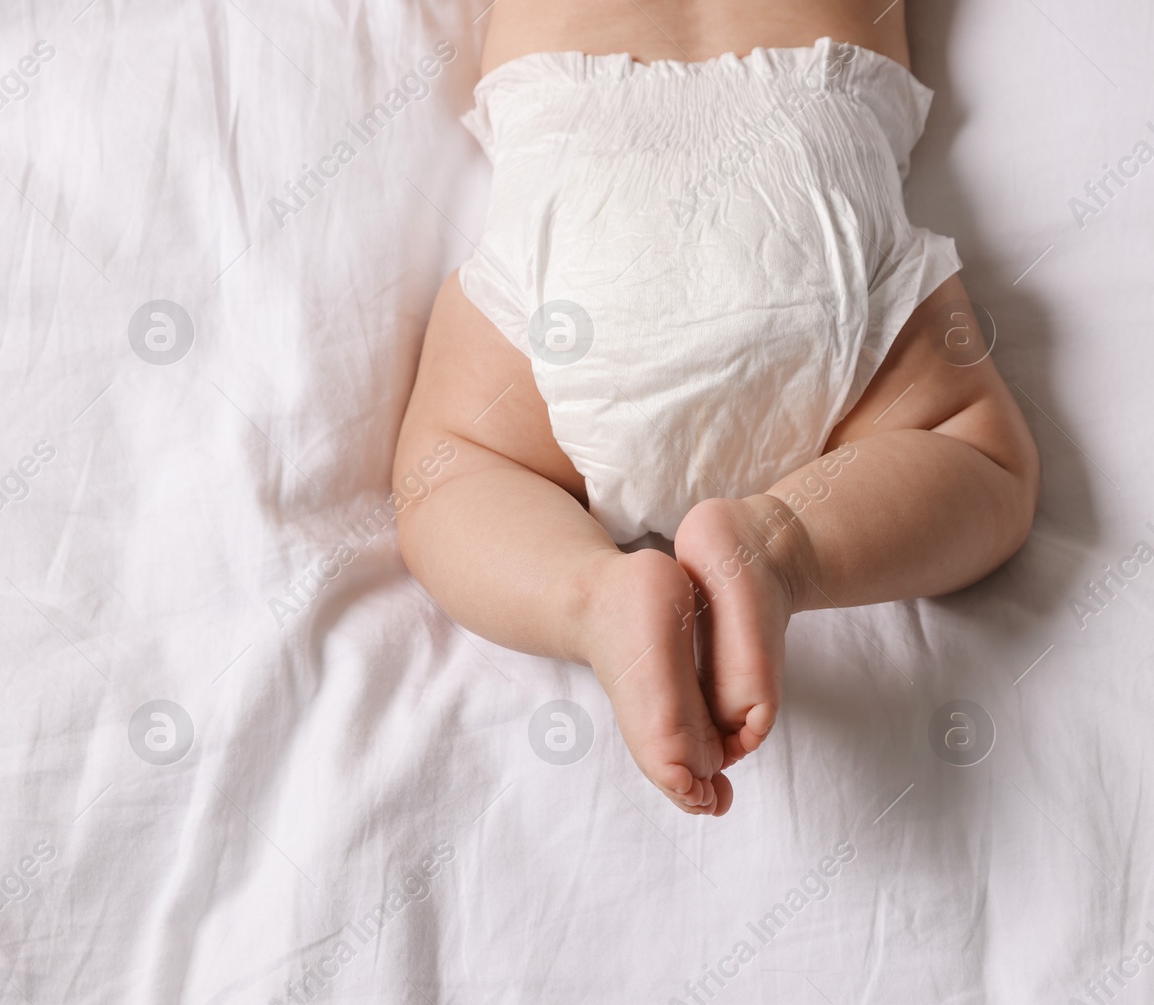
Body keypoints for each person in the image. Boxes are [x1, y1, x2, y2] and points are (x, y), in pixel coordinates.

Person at [394, 1, 1039, 815]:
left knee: (445, 475)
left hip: (581, 181)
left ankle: (592, 595)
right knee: (980, 456)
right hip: (809, 163)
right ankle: (779, 548)